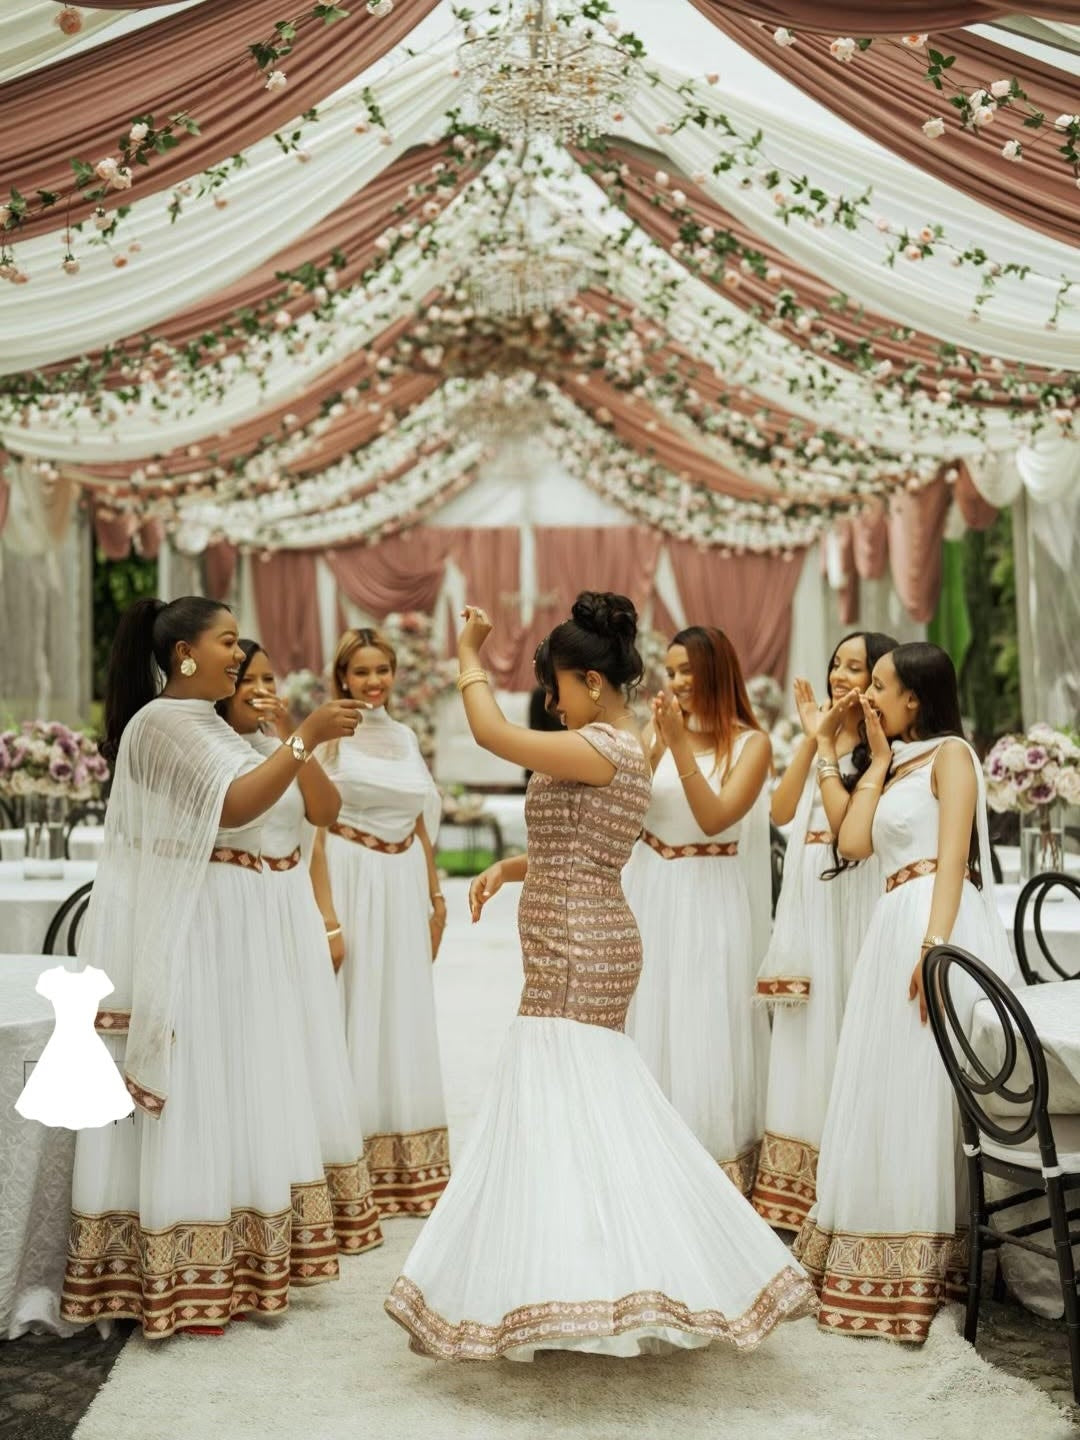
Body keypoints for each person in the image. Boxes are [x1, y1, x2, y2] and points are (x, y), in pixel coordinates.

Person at [385, 594, 817, 1360]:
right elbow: (588, 841)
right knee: (571, 1107)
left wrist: (469, 655)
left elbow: (490, 732)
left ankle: (637, 1277)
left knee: (581, 1103)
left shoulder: (608, 747)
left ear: (590, 680)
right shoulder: (618, 746)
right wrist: (514, 867)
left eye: (556, 686)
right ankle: (573, 1276)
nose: (551, 702)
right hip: (575, 932)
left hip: (581, 946)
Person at [60, 597, 364, 1339]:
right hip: (198, 925)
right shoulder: (162, 724)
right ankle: (175, 1266)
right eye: (228, 641)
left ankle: (237, 1258)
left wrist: (291, 737)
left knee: (240, 1080)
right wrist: (306, 740)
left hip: (240, 924)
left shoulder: (210, 725)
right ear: (186, 653)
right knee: (199, 1085)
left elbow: (286, 810)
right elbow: (232, 809)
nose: (239, 654)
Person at [793, 642, 1017, 1342]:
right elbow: (854, 843)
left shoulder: (952, 754)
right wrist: (856, 755)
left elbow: (953, 858)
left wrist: (935, 946)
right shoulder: (895, 763)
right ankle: (879, 1257)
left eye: (881, 685)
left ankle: (936, 1263)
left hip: (934, 920)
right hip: (892, 920)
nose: (870, 695)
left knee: (929, 1088)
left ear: (914, 698)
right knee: (886, 1085)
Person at [217, 639, 383, 1256]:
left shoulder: (277, 744)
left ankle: (297, 1194)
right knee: (256, 1053)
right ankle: (249, 1198)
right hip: (243, 914)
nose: (262, 690)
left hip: (290, 910)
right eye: (248, 681)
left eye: (269, 678)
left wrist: (293, 733)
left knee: (302, 1053)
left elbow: (326, 810)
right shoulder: (216, 753)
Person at [751, 632, 896, 1232]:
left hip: (853, 899)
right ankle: (798, 1187)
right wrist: (814, 741)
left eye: (855, 667)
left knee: (845, 1027)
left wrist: (837, 745)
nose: (840, 674)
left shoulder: (887, 750)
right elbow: (779, 813)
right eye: (836, 662)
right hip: (810, 900)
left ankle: (850, 1178)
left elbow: (849, 837)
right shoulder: (819, 740)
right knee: (807, 1032)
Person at [622, 626, 772, 1197]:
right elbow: (629, 818)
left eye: (686, 670)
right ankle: (646, 1162)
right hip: (652, 888)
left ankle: (705, 1176)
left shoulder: (751, 744)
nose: (676, 681)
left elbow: (715, 819)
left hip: (709, 894)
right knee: (651, 1017)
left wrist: (679, 746)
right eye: (671, 670)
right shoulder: (654, 735)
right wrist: (654, 747)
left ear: (715, 672)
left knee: (704, 1022)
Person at [313, 628, 448, 1218]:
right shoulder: (328, 741)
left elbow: (420, 821)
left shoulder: (406, 737)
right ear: (342, 676)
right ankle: (342, 1159)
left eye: (381, 670)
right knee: (351, 1005)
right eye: (361, 672)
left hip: (401, 883)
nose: (372, 682)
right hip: (350, 872)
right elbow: (313, 828)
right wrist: (326, 915)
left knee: (398, 1008)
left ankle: (402, 1163)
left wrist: (435, 898)